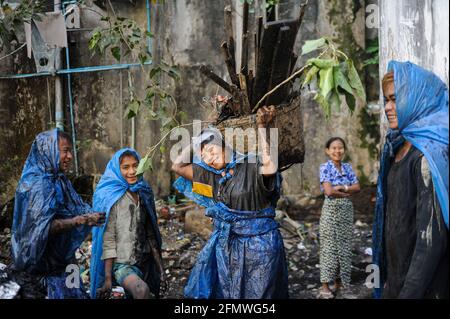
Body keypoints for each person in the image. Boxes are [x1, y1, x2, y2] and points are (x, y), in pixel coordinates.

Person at [171, 105, 289, 299]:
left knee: (259, 297)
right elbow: (178, 166)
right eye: (203, 156)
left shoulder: (251, 164)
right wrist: (199, 137)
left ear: (225, 143)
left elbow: (271, 166)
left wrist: (261, 126)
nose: (209, 158)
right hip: (228, 247)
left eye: (211, 150)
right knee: (230, 295)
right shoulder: (212, 176)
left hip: (260, 248)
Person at [373, 61, 449, 299]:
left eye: (395, 99)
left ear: (417, 99)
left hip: (425, 289)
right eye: (386, 100)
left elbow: (430, 243)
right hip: (398, 281)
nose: (388, 107)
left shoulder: (428, 157)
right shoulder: (397, 148)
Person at [11, 129, 105, 299]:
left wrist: (92, 214)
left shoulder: (59, 179)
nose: (70, 156)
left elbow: (74, 207)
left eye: (71, 151)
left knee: (75, 292)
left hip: (63, 257)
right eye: (65, 151)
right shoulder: (38, 184)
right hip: (41, 264)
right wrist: (81, 220)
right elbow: (43, 229)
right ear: (49, 150)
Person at [89, 148, 165, 299]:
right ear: (117, 169)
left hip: (144, 260)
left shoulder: (143, 192)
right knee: (141, 290)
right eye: (125, 167)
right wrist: (108, 278)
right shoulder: (111, 196)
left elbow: (151, 234)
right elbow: (108, 238)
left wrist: (161, 270)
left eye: (135, 165)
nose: (132, 171)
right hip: (122, 264)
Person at [317, 137, 360, 299]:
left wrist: (343, 187)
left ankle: (340, 283)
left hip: (346, 211)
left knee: (344, 245)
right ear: (327, 151)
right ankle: (325, 286)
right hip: (330, 210)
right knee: (329, 247)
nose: (337, 151)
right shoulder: (325, 167)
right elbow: (328, 191)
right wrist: (346, 192)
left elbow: (357, 187)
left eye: (340, 148)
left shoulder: (347, 167)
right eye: (333, 148)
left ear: (344, 150)